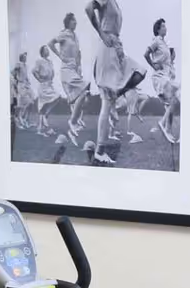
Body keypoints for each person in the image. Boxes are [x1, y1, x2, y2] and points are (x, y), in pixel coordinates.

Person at [84, 0, 146, 165]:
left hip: (116, 48)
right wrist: (102, 34)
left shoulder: (115, 3)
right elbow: (88, 7)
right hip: (107, 47)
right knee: (106, 102)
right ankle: (99, 152)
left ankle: (116, 92)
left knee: (140, 71)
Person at [48, 14, 90, 142]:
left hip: (74, 70)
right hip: (66, 70)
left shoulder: (75, 36)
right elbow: (50, 43)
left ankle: (74, 123)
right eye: (74, 20)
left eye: (76, 20)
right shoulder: (64, 34)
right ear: (68, 22)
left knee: (83, 96)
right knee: (84, 91)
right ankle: (73, 122)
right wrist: (60, 56)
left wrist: (79, 67)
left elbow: (78, 54)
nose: (76, 22)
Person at [145, 17, 179, 146]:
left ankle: (168, 131)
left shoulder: (164, 43)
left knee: (172, 103)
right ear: (158, 29)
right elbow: (146, 54)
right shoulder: (156, 41)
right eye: (163, 26)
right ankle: (162, 124)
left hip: (165, 77)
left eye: (166, 26)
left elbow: (169, 60)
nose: (166, 28)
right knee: (177, 95)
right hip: (159, 78)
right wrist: (153, 65)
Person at [32, 45, 61, 136]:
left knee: (57, 97)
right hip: (43, 85)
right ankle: (41, 128)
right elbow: (34, 71)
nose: (48, 51)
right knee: (43, 106)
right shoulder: (39, 61)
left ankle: (41, 126)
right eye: (46, 50)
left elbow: (52, 72)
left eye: (48, 49)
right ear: (42, 52)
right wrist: (39, 79)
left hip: (49, 84)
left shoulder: (50, 61)